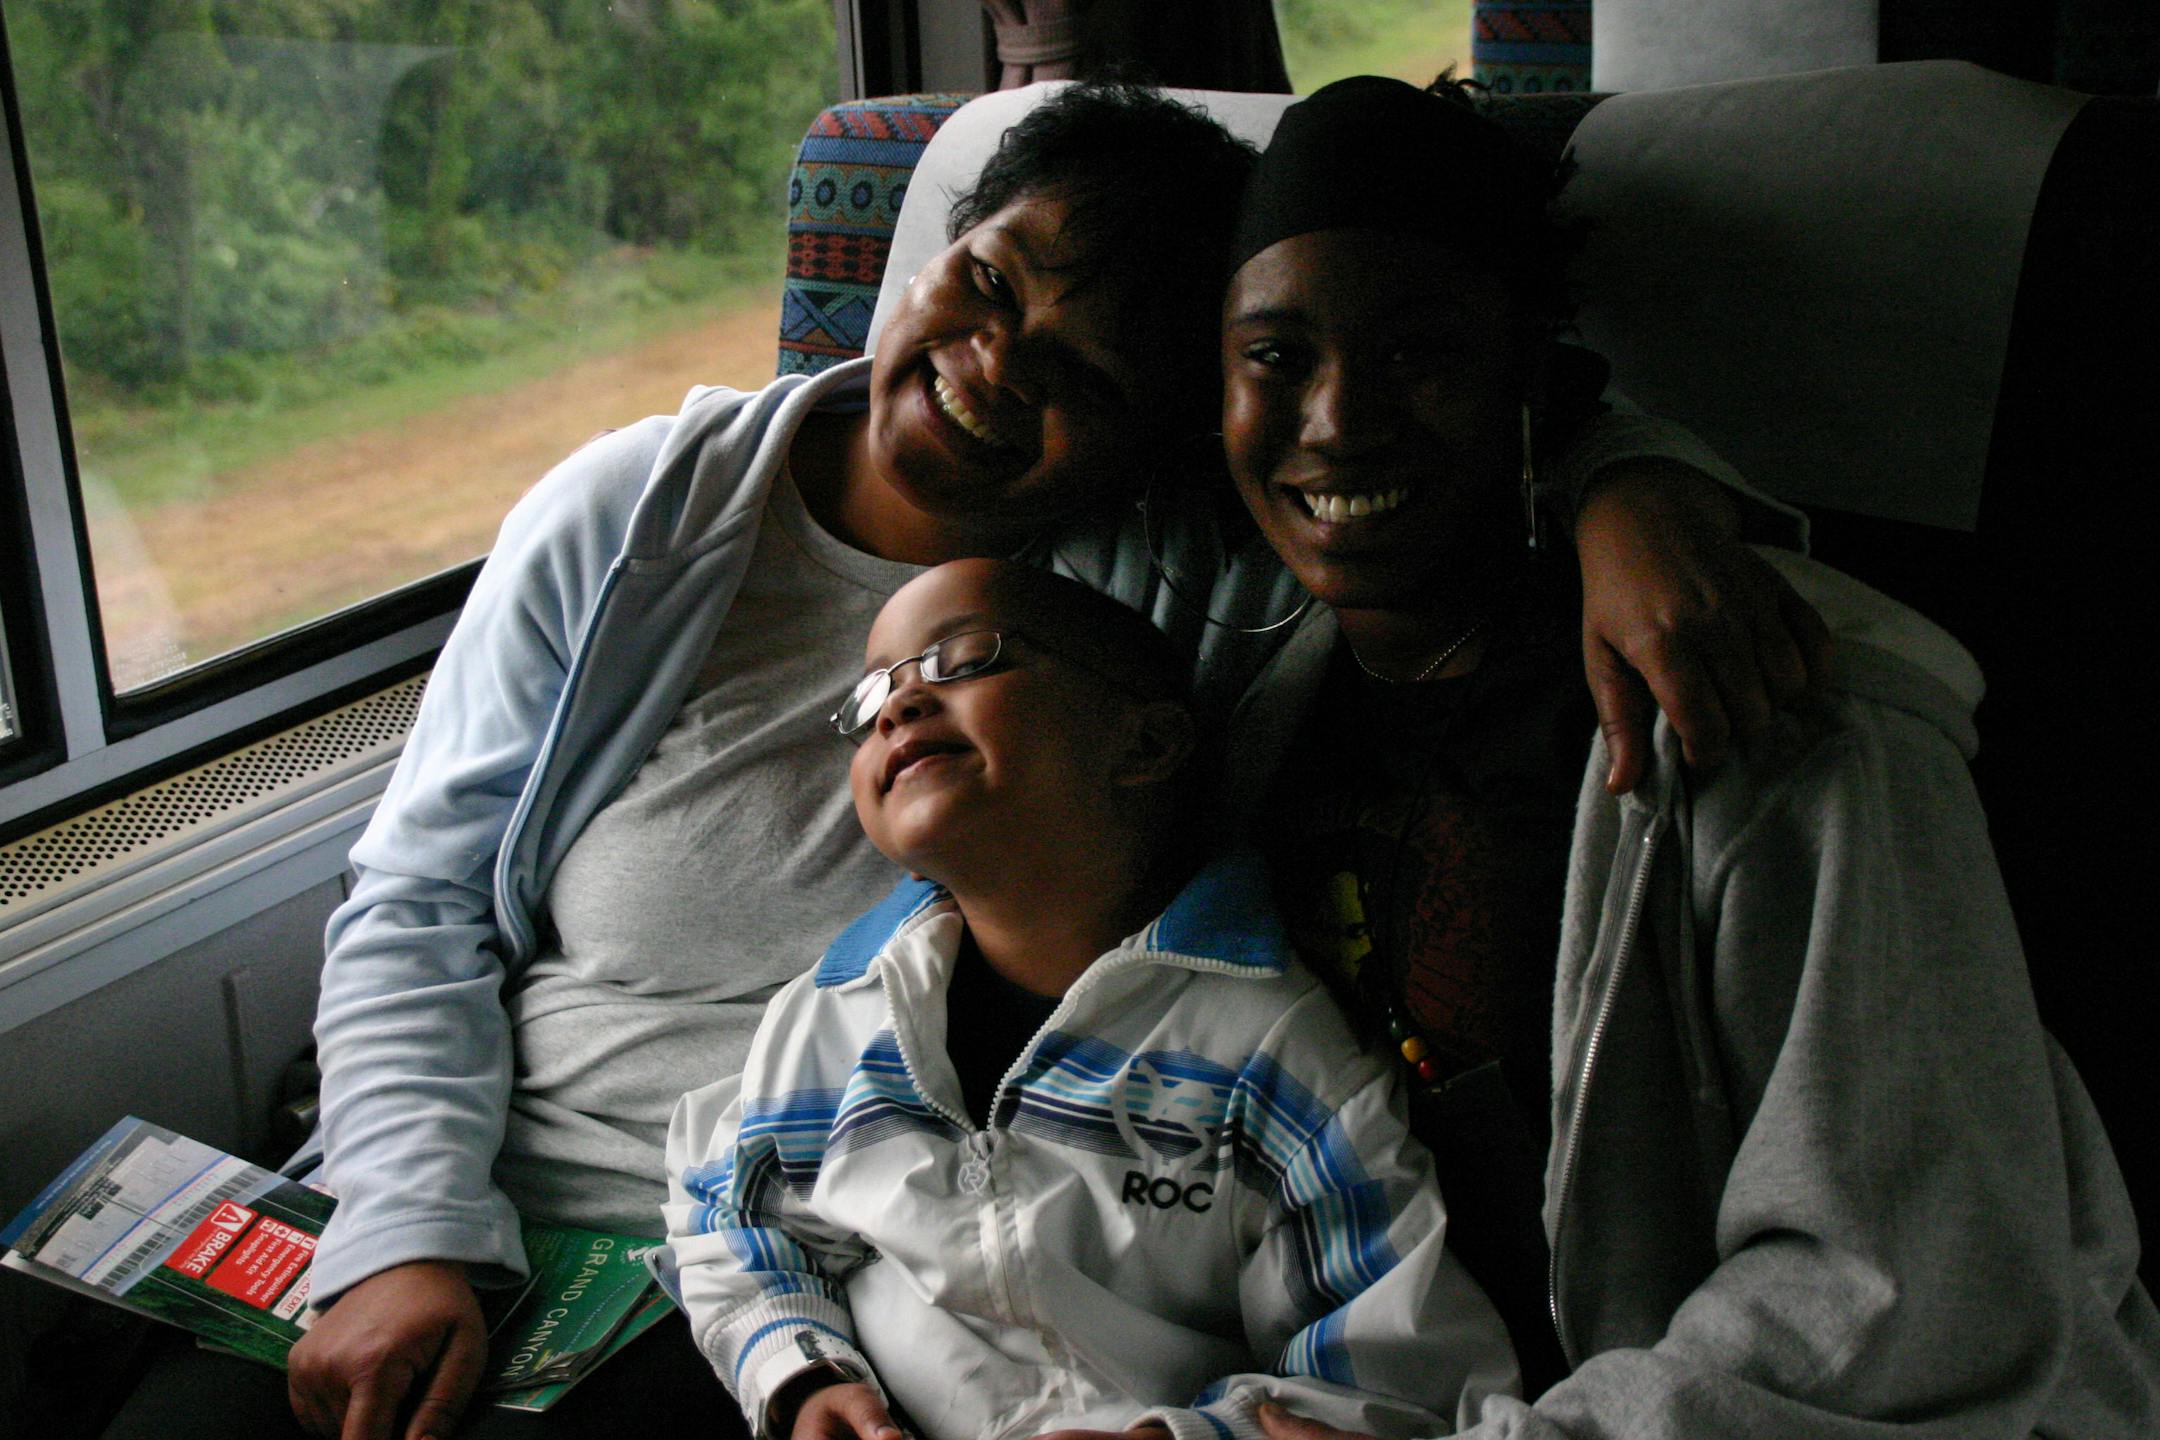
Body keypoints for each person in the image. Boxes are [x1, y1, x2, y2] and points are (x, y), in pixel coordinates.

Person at [99, 83, 1824, 1440]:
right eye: (985, 284)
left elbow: (1383, 449)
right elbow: (414, 903)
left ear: (1156, 440)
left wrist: (1626, 484)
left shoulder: (1153, 607)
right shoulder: (635, 517)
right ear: (929, 254)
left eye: (1078, 370)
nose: (992, 367)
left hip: (765, 1267)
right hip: (452, 1179)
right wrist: (403, 1237)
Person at [1208, 75, 2160, 1438]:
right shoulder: (1237, 692)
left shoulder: (1774, 707)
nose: (1337, 417)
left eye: (1420, 351)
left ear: (1533, 373)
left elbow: (1905, 1287)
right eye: (1276, 357)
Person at [665, 558, 1517, 1440]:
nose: (900, 704)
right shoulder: (837, 1018)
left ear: (1145, 744)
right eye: (875, 691)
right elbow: (733, 1217)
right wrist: (800, 1373)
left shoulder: (1273, 1057)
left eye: (964, 659)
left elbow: (1398, 1376)